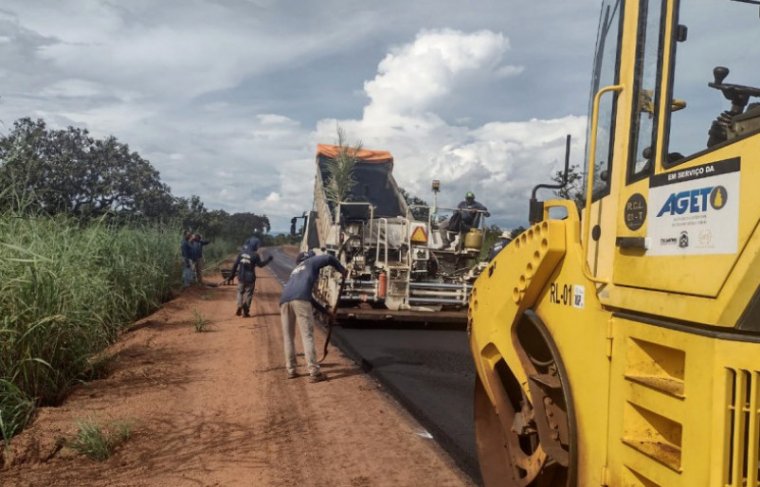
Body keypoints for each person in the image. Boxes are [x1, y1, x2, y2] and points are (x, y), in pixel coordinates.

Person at [280, 250, 346, 383]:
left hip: (284, 301)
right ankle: (314, 372)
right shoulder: (311, 262)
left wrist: (326, 312)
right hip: (300, 300)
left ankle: (291, 370)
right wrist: (342, 270)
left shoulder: (296, 271)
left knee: (288, 338)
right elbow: (328, 258)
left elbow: (308, 298)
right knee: (307, 336)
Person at [227, 244, 273, 317]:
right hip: (250, 278)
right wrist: (268, 260)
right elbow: (260, 265)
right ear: (255, 248)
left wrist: (231, 276)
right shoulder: (255, 255)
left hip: (241, 277)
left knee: (240, 292)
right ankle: (245, 312)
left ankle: (240, 305)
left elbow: (235, 265)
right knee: (248, 294)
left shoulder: (241, 254)